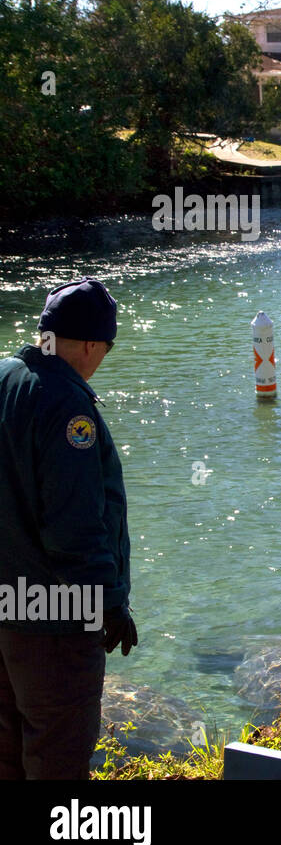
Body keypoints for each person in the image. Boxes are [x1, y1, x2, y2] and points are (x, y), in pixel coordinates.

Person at [0, 278, 136, 780]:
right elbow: (73, 524)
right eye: (106, 347)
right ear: (89, 344)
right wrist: (108, 602)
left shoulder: (4, 379)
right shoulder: (66, 407)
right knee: (58, 753)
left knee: (7, 749)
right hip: (52, 621)